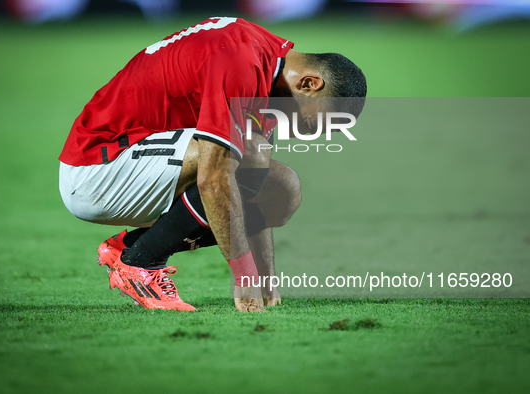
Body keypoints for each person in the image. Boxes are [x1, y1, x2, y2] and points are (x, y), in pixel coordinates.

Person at [59, 17, 366, 312]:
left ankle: (130, 247)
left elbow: (253, 185)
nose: (302, 130)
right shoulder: (241, 60)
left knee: (282, 190)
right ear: (310, 83)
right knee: (242, 158)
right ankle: (142, 263)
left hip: (140, 162)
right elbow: (214, 177)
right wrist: (244, 276)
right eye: (310, 123)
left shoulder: (269, 67)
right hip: (98, 167)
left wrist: (265, 278)